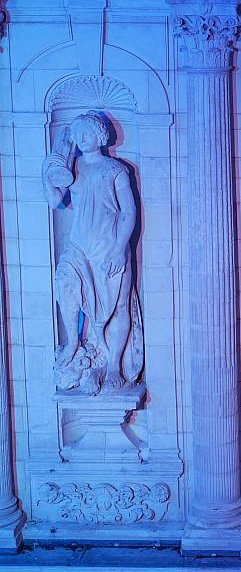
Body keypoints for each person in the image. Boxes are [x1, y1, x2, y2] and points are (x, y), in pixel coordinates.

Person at [42, 111, 142, 394]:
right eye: (77, 134)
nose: (81, 138)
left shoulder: (115, 169)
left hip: (109, 247)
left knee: (119, 307)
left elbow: (128, 212)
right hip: (79, 247)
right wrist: (45, 174)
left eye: (86, 132)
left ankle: (113, 365)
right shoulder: (72, 169)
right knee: (65, 283)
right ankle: (73, 343)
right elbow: (54, 200)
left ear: (100, 135)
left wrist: (120, 249)